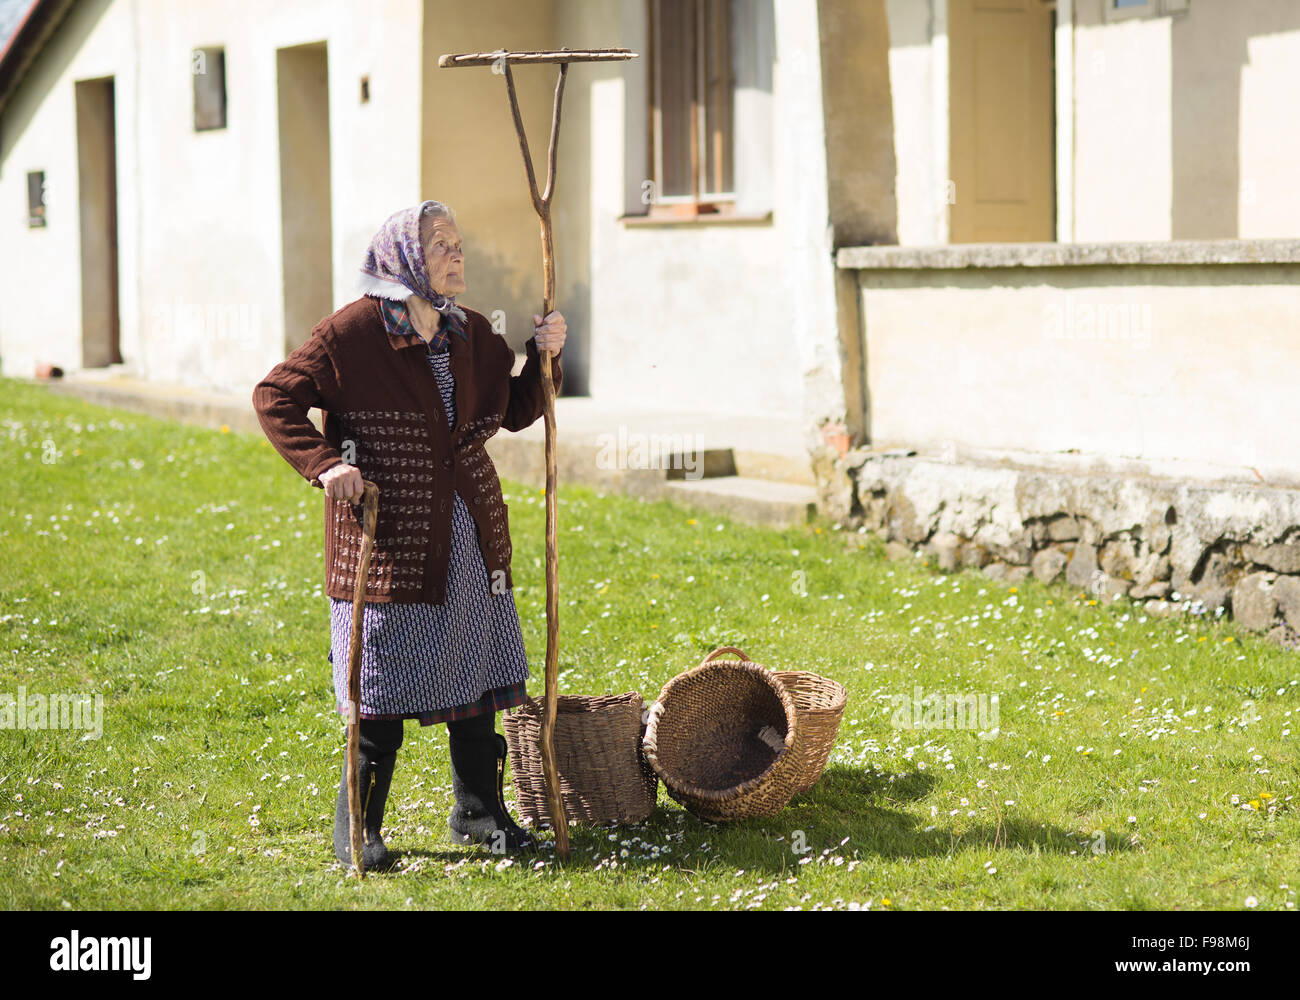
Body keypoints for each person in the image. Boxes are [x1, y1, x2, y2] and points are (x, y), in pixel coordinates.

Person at [252, 200, 565, 869]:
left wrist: (545, 358)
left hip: (471, 537)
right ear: (402, 259)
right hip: (387, 540)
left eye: (458, 241)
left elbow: (511, 411)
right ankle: (358, 827)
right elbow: (274, 396)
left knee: (478, 678)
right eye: (441, 245)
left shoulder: (471, 333)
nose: (458, 254)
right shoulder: (352, 334)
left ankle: (479, 813)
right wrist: (327, 465)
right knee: (381, 685)